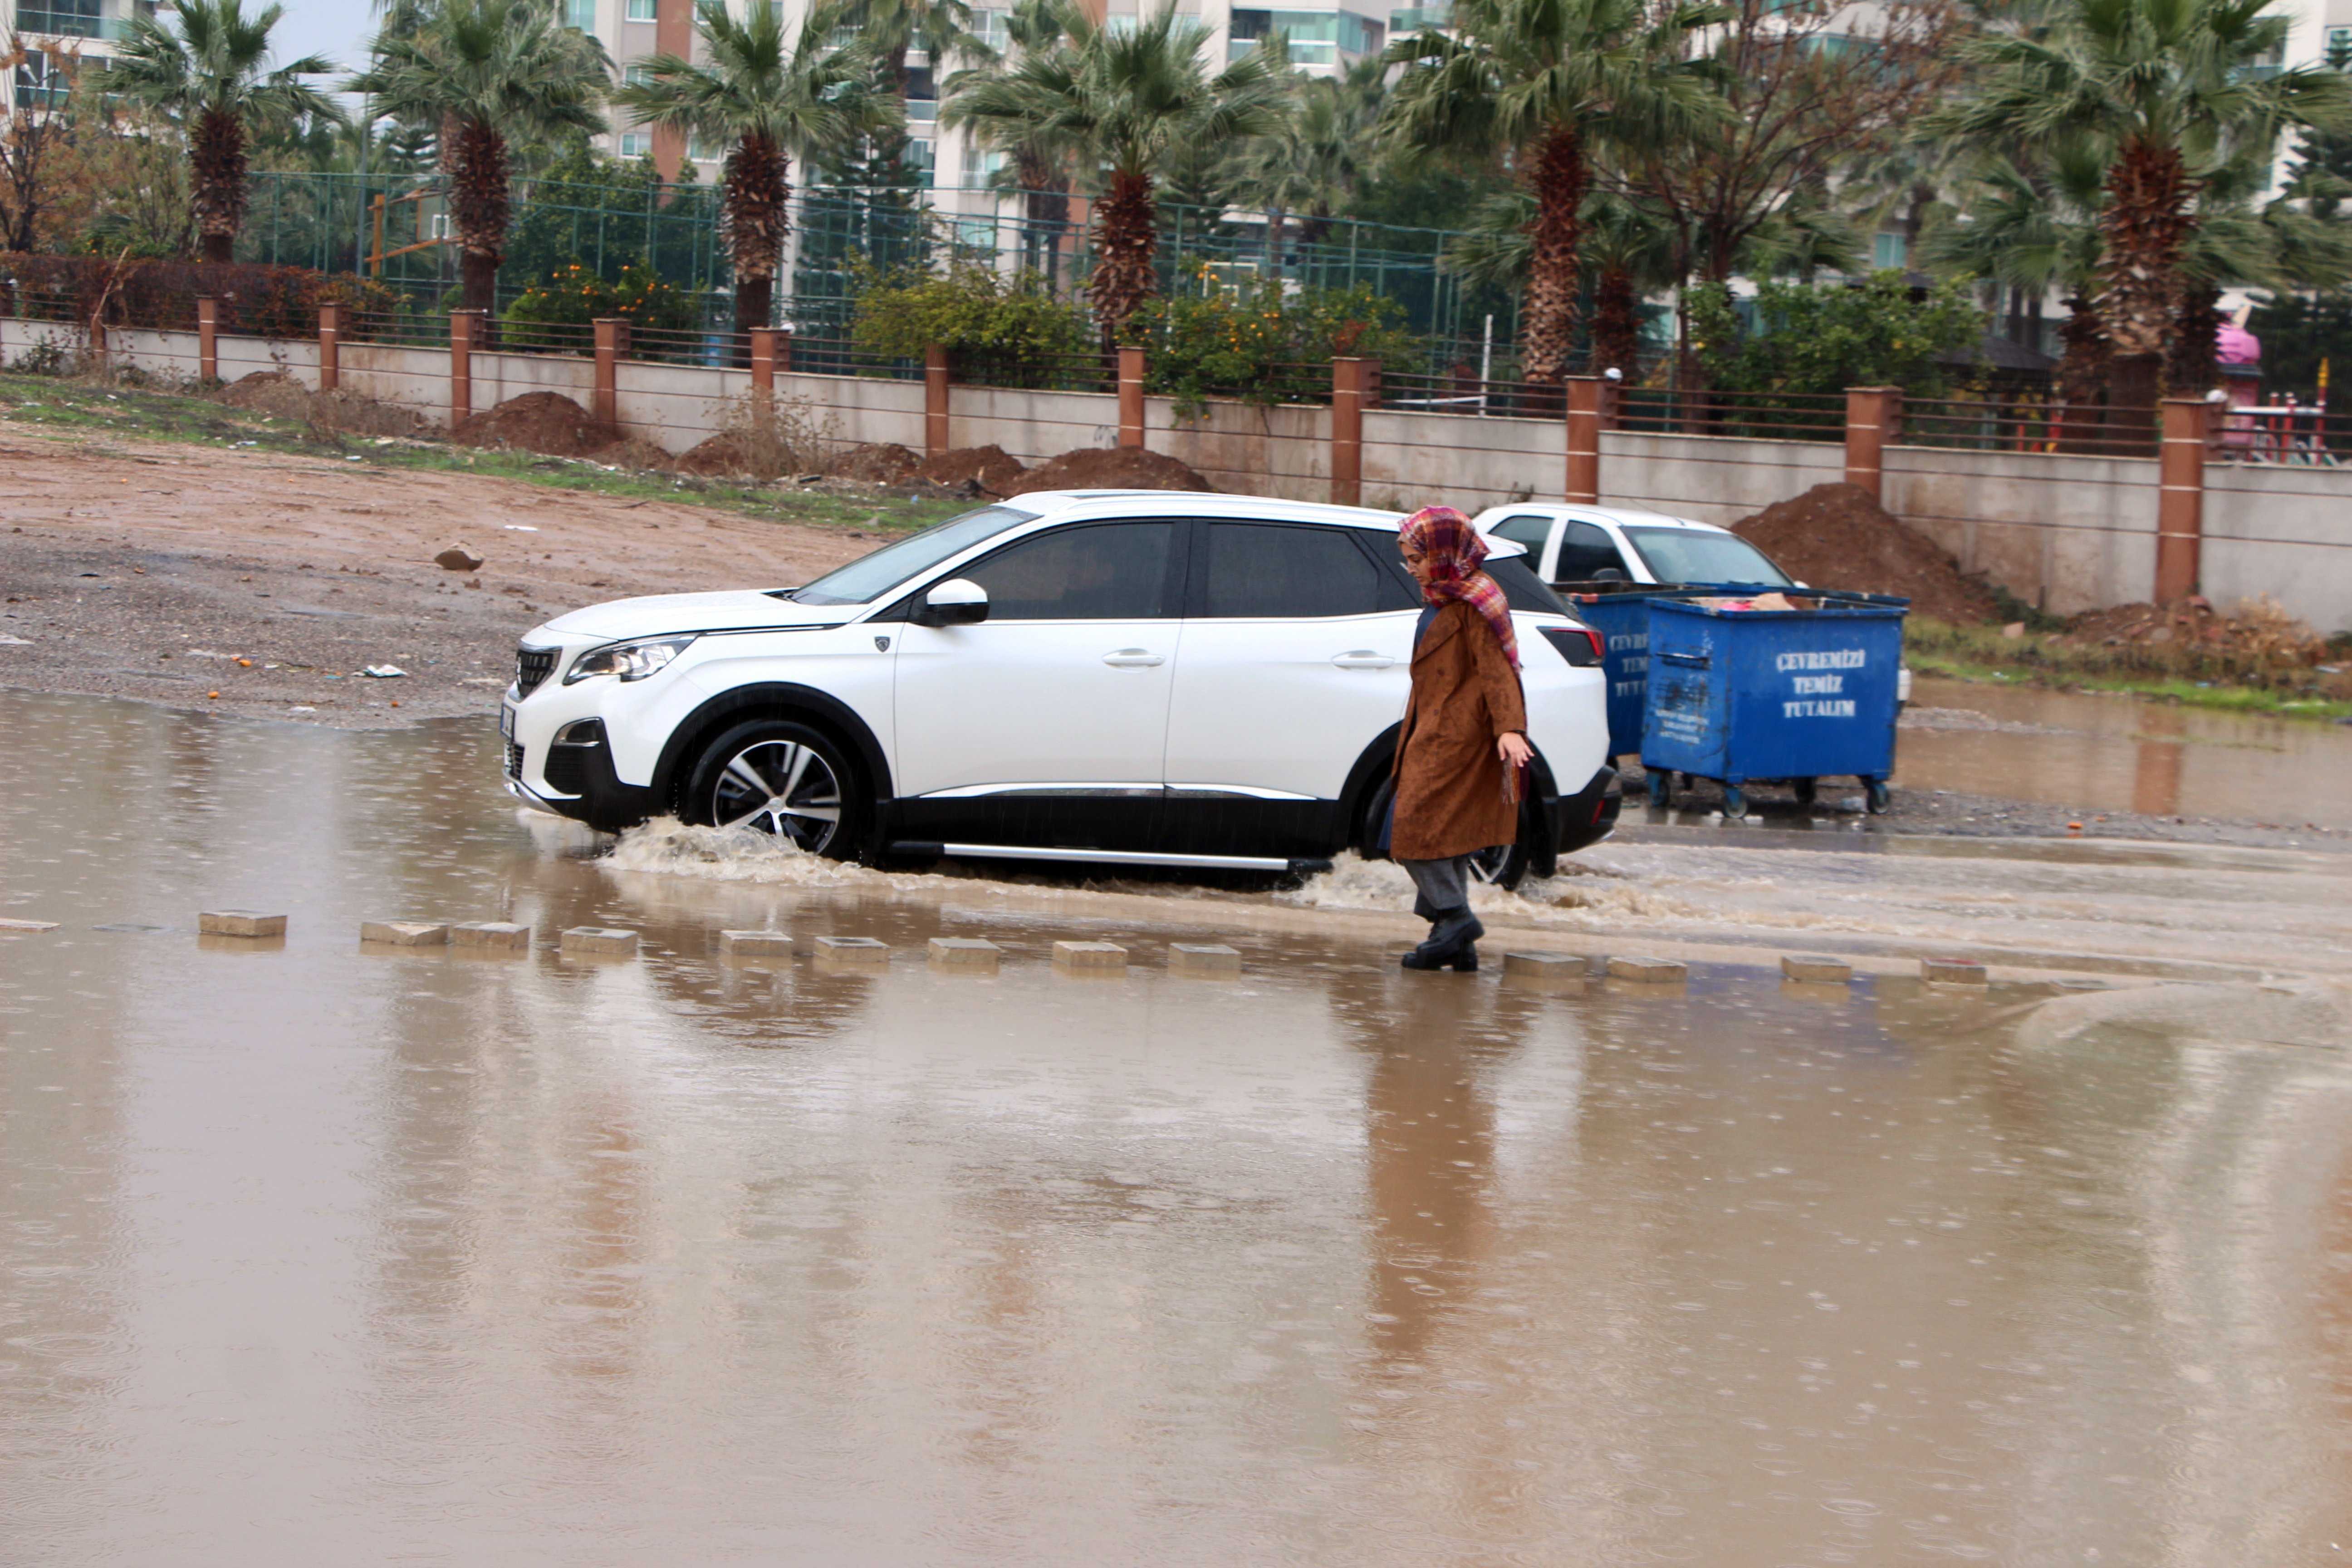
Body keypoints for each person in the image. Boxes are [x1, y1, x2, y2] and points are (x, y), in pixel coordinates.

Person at [1389, 505, 1532, 972]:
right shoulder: (1443, 596)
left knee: (1413, 834)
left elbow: (1498, 670)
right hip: (1430, 730)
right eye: (1408, 558)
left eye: (1417, 558)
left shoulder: (1475, 603)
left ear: (1444, 553)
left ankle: (1456, 919)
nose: (1411, 568)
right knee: (1446, 838)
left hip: (1457, 737)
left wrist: (1510, 728)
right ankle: (1453, 944)